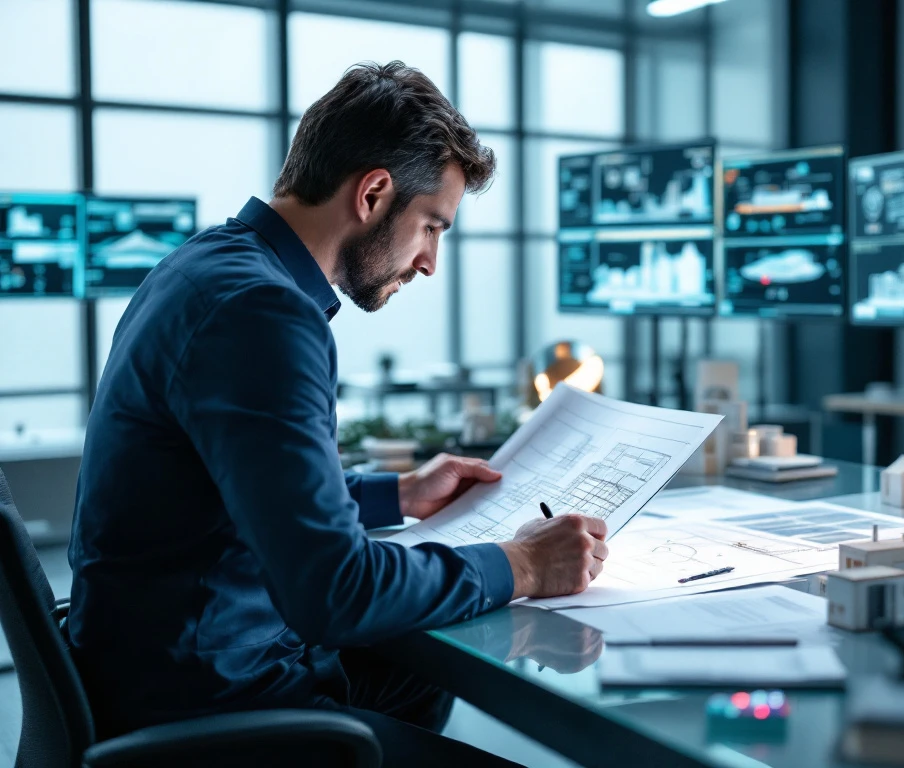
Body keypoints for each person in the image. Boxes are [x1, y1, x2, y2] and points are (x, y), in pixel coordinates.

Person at [66, 61, 610, 766]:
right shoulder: (263, 313)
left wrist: (398, 494)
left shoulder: (205, 265)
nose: (430, 262)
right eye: (431, 227)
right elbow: (335, 592)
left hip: (159, 663)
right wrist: (523, 565)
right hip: (212, 698)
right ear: (374, 193)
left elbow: (242, 486)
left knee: (417, 681)